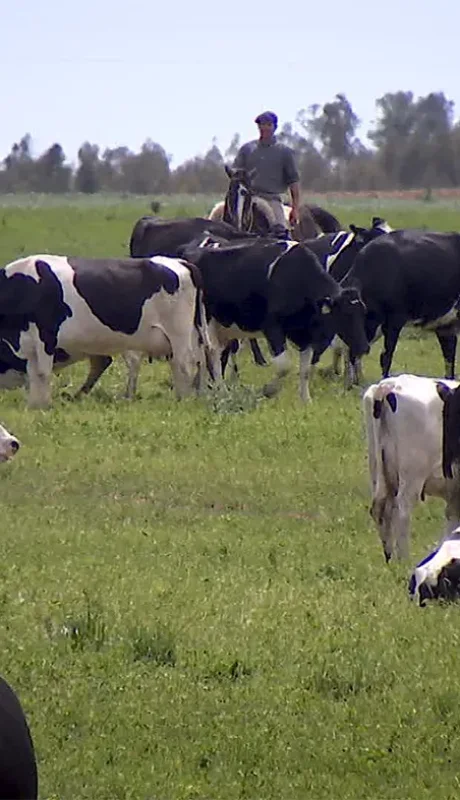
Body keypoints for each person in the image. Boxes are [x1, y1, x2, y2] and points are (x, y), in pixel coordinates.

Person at [233, 111, 300, 237]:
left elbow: (293, 182)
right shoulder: (247, 149)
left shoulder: (284, 152)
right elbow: (236, 174)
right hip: (247, 198)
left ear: (275, 127)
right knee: (220, 220)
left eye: (268, 125)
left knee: (281, 232)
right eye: (262, 124)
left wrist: (295, 209)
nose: (264, 128)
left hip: (271, 199)